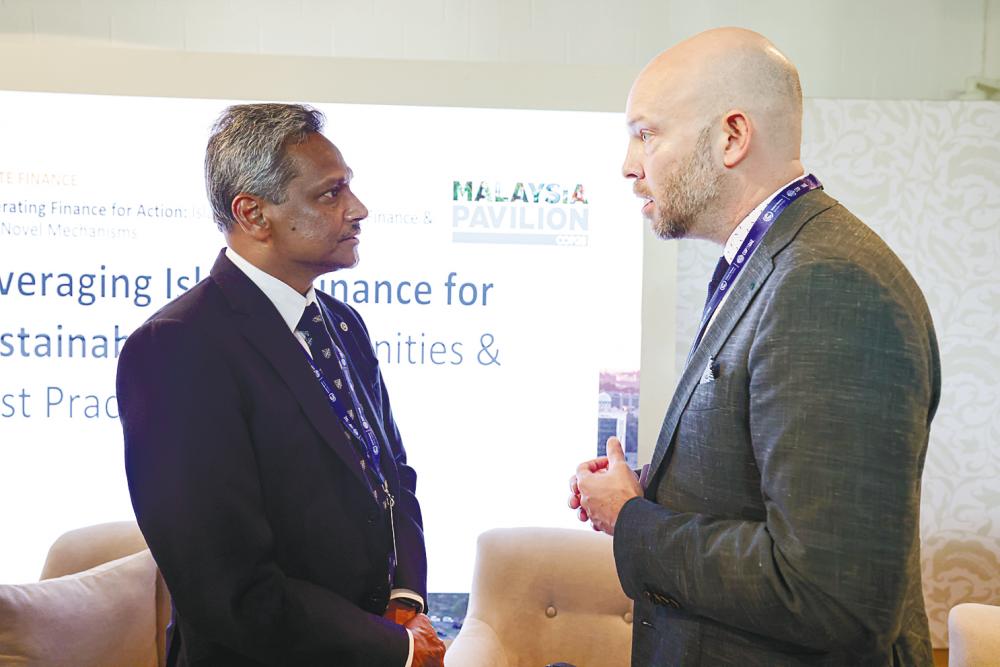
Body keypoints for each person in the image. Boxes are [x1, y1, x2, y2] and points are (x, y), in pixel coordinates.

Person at [568, 28, 940, 666]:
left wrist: (632, 519)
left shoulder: (826, 284)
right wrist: (660, 488)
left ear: (732, 137)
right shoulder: (777, 265)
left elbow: (828, 594)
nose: (628, 165)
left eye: (646, 133)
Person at [117, 103, 445, 667]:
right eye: (329, 194)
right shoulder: (179, 346)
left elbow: (391, 476)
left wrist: (403, 600)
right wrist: (393, 648)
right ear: (253, 214)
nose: (358, 209)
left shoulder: (343, 324)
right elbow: (226, 584)